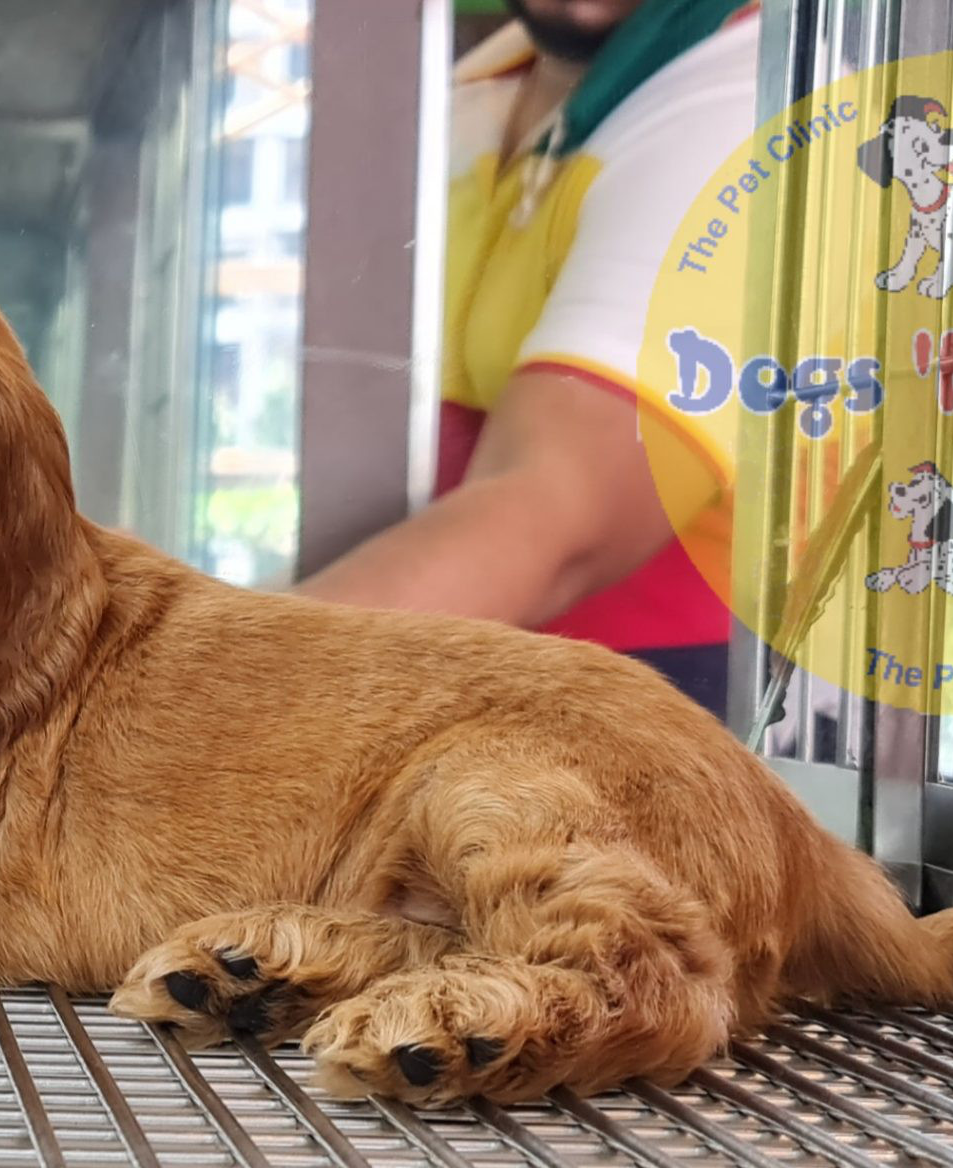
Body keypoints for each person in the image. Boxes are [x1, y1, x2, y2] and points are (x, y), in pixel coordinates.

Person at [298, 0, 760, 717]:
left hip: (658, 728)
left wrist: (203, 689)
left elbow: (558, 520)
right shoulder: (466, 84)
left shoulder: (756, 94)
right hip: (441, 709)